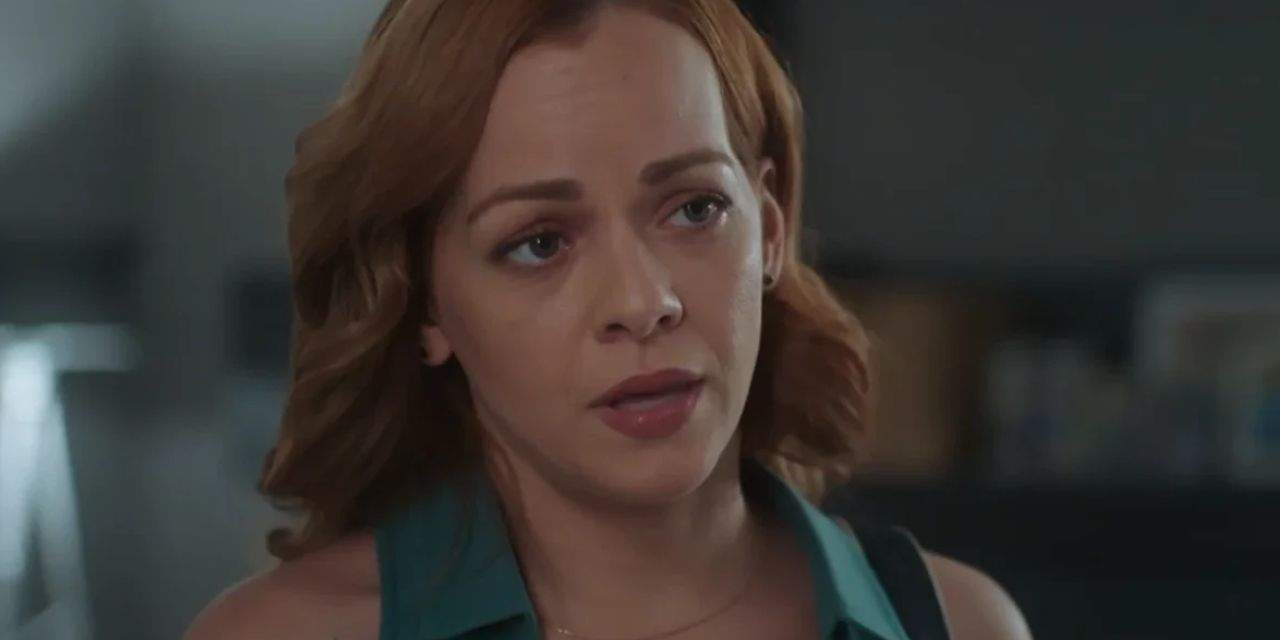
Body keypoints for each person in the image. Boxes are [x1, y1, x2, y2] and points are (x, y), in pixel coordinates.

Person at [185, 1, 1032, 638]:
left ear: (770, 229)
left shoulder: (957, 624)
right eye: (538, 243)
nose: (642, 302)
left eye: (695, 209)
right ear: (425, 304)